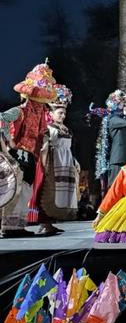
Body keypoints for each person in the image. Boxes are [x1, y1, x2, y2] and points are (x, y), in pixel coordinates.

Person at [34, 93, 80, 235]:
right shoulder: (49, 129)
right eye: (60, 113)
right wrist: (45, 164)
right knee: (49, 191)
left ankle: (51, 222)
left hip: (65, 162)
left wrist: (74, 161)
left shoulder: (66, 129)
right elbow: (44, 147)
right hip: (53, 162)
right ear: (51, 113)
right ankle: (44, 223)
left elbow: (68, 148)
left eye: (64, 113)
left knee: (61, 192)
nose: (62, 116)